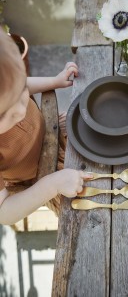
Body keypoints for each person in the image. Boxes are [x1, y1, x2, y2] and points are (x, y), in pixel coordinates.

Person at [0, 27, 92, 225]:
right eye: (6, 113)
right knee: (86, 213)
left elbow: (18, 82)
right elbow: (4, 213)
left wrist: (54, 81)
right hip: (39, 174)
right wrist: (52, 186)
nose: (23, 105)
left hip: (52, 128)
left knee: (99, 132)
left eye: (21, 91)